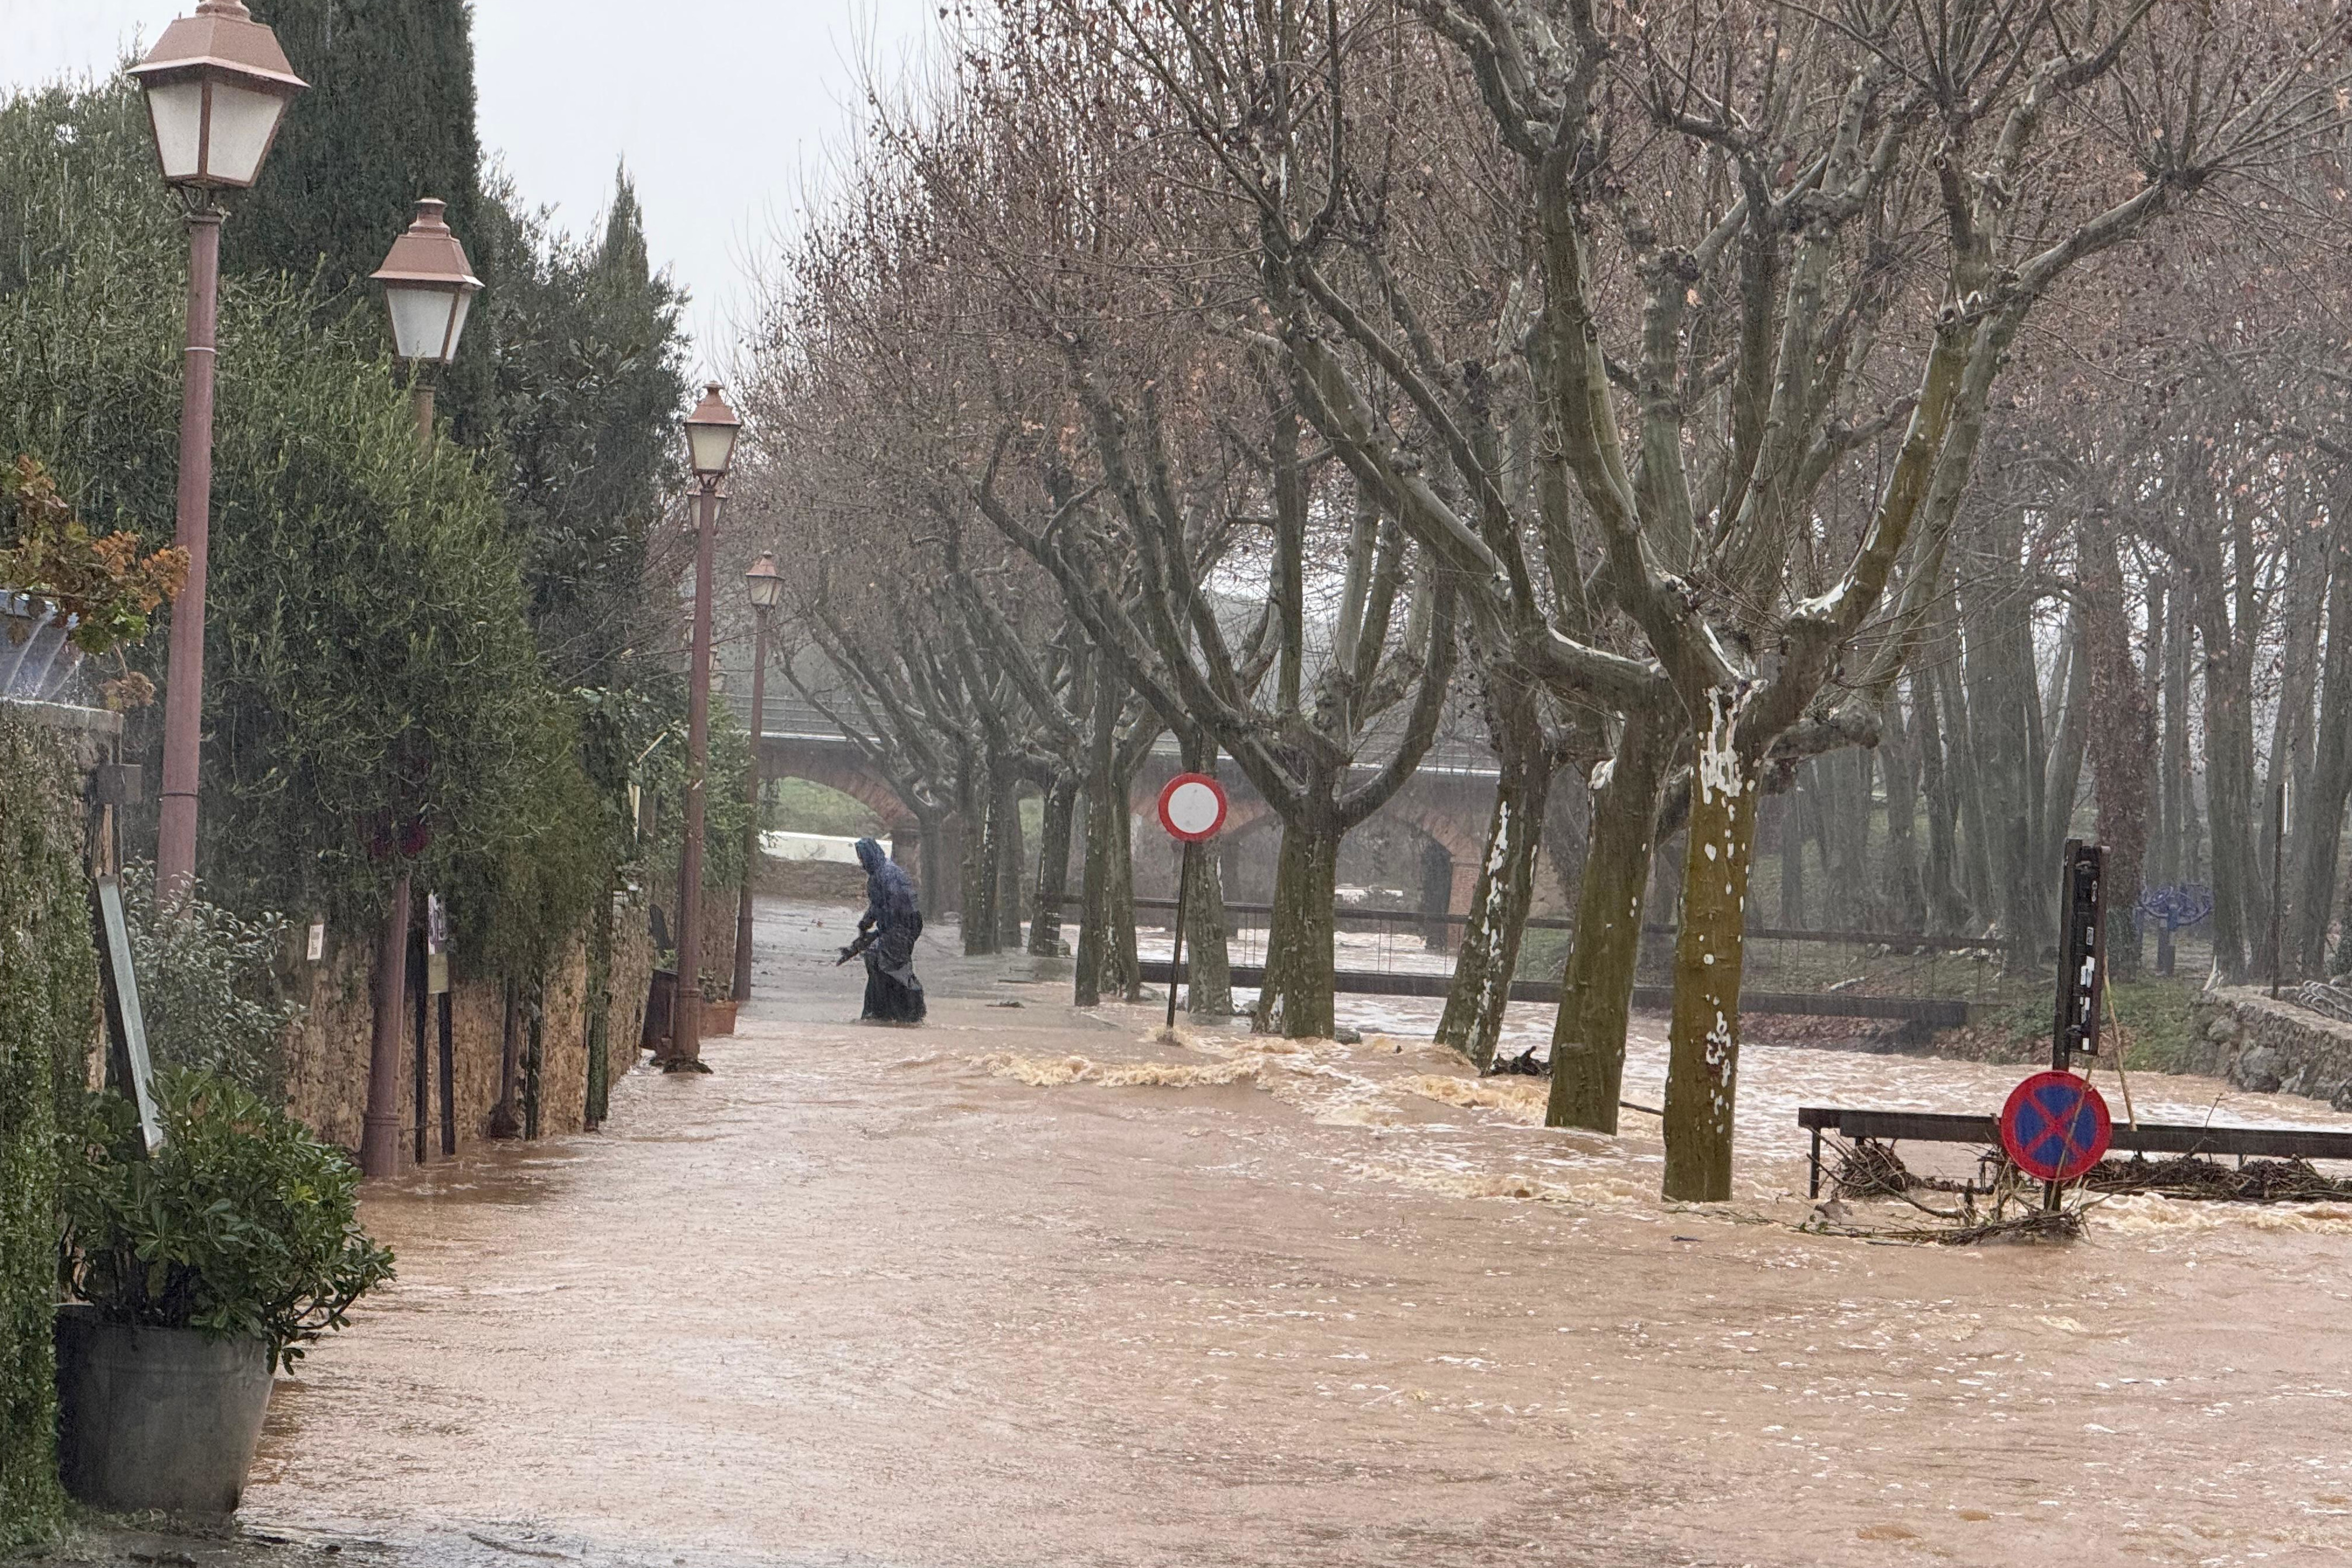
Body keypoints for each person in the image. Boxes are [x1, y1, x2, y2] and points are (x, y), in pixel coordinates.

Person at [840, 837, 925, 1023]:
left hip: (903, 927)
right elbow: (877, 906)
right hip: (895, 928)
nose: (861, 863)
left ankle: (908, 1013)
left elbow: (893, 906)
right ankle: (881, 1013)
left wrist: (880, 933)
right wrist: (866, 924)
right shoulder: (880, 874)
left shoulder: (888, 875)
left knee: (891, 965)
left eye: (863, 858)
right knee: (876, 962)